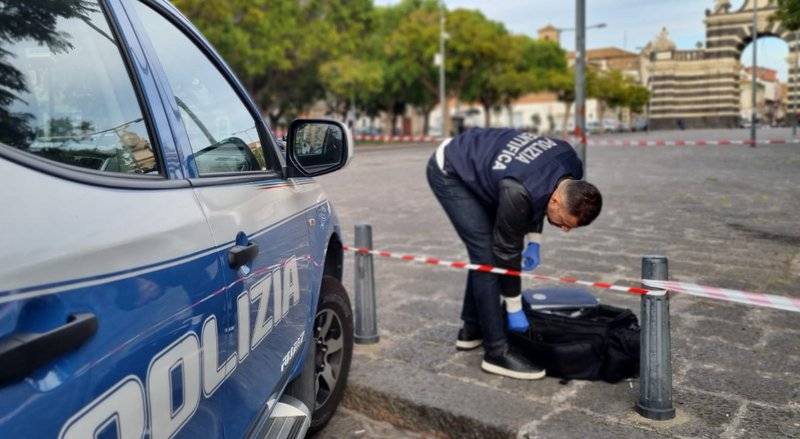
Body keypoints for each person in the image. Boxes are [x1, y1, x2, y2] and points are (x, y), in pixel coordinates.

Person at [426, 128, 602, 380]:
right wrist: (514, 306)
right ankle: (496, 351)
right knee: (487, 257)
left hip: (493, 167)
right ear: (556, 203)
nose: (564, 230)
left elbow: (542, 191)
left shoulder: (570, 165)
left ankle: (472, 329)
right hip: (450, 169)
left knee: (484, 254)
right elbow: (506, 253)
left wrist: (535, 241)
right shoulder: (518, 191)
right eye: (564, 222)